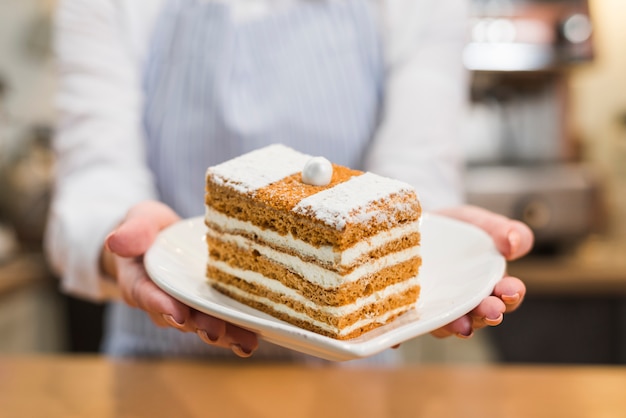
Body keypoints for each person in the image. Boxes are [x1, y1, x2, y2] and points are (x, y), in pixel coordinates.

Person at [45, 0, 533, 362]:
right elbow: (94, 178)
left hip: (350, 375)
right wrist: (126, 243)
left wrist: (429, 250)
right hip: (161, 360)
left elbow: (418, 166)